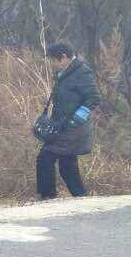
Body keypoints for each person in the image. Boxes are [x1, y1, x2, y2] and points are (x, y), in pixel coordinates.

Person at [37, 41, 100, 200]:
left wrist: (77, 118)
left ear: (63, 57)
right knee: (67, 164)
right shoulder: (64, 74)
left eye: (53, 60)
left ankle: (47, 196)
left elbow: (93, 98)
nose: (52, 64)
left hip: (73, 128)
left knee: (45, 157)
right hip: (63, 126)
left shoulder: (81, 73)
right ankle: (81, 196)